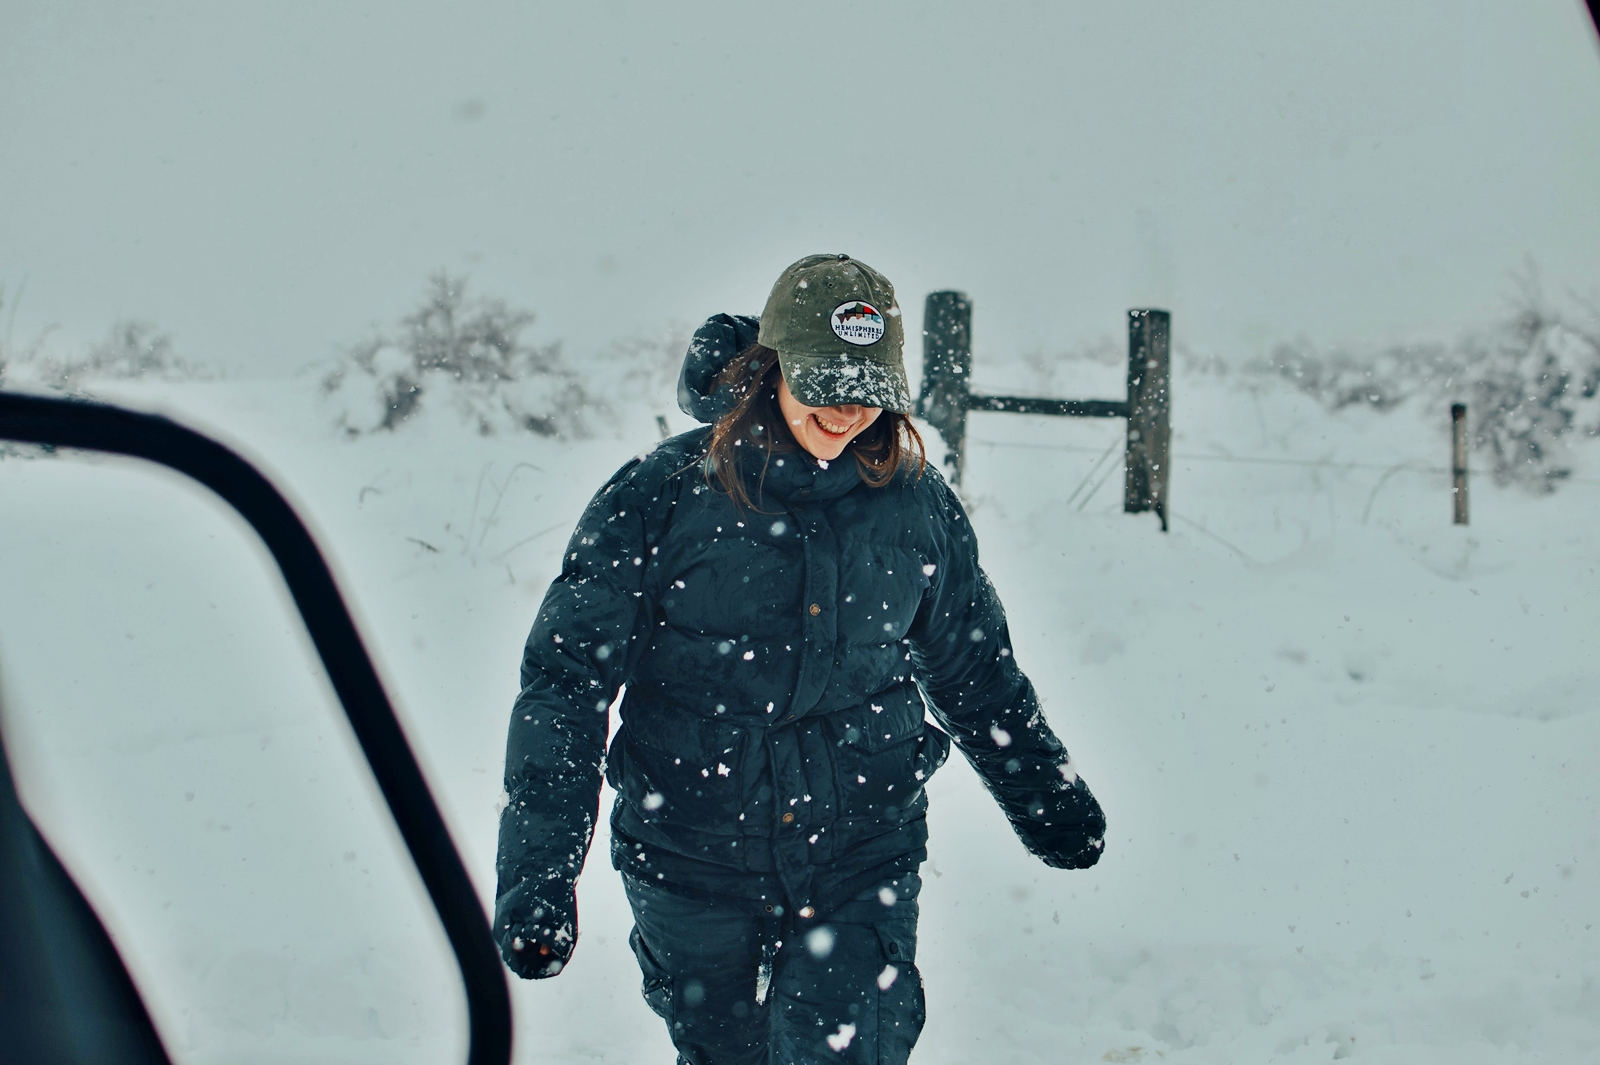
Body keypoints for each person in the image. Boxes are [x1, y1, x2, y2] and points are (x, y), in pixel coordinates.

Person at [495, 253, 1105, 1064]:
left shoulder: (915, 506)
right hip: (691, 853)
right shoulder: (664, 494)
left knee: (846, 1048)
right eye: (824, 382)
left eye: (869, 388)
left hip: (859, 847)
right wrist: (539, 873)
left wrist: (1043, 790)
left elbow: (973, 667)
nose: (848, 409)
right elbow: (567, 684)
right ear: (769, 368)